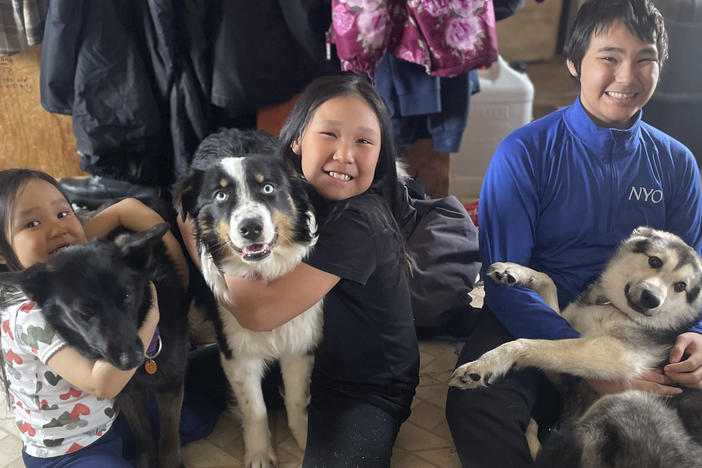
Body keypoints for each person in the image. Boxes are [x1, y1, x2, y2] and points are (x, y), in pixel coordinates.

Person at [445, 1, 702, 466]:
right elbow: (505, 289)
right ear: (573, 62)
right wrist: (590, 367)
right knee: (476, 404)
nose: (627, 76)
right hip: (532, 314)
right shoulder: (523, 153)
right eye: (609, 57)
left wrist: (698, 334)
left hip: (639, 330)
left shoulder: (677, 163)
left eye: (645, 58)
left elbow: (692, 272)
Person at [179, 73, 420, 467]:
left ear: (380, 155)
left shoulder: (360, 221)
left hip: (363, 385)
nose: (344, 154)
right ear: (296, 141)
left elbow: (258, 312)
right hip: (304, 355)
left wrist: (195, 233)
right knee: (177, 380)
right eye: (330, 134)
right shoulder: (292, 193)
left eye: (363, 140)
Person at [0, 169, 211, 467]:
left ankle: (146, 446)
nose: (57, 229)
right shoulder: (29, 315)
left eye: (63, 213)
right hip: (68, 450)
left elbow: (125, 213)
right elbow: (105, 384)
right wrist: (150, 318)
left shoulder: (82, 266)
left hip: (107, 421)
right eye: (32, 223)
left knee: (198, 420)